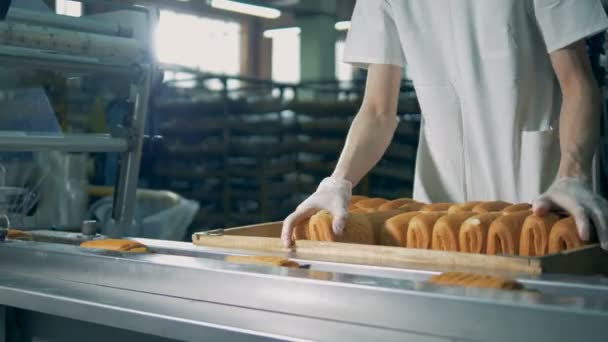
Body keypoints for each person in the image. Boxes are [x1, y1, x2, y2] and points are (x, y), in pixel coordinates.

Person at [281, 0, 608, 250]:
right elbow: (378, 109)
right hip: (442, 192)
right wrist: (338, 181)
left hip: (541, 180)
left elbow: (577, 83)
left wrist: (572, 175)